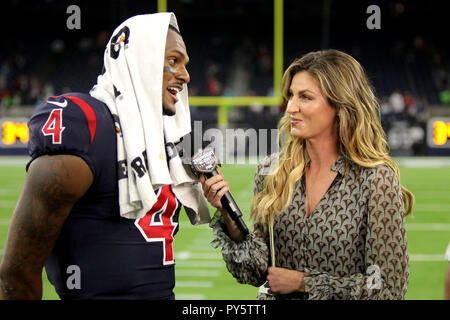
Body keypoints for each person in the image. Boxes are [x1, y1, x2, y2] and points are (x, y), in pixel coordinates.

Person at [0, 12, 210, 300]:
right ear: (140, 62)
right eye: (173, 61)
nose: (185, 76)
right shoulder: (86, 125)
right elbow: (17, 273)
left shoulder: (170, 140)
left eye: (185, 64)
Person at [200, 49, 413, 300]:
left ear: (339, 104)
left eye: (305, 97)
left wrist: (305, 283)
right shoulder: (273, 171)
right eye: (291, 95)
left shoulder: (376, 180)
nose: (290, 107)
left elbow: (388, 289)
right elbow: (255, 271)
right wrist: (227, 212)